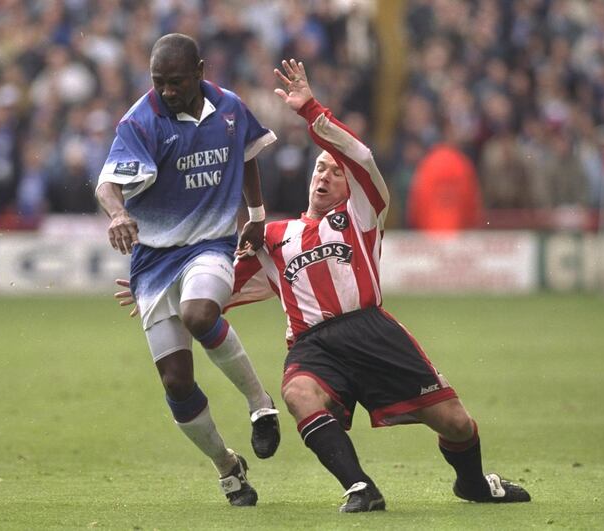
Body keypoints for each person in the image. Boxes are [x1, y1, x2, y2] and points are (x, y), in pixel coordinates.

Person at [119, 59, 531, 513]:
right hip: (314, 346)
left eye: (335, 172)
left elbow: (362, 159)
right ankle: (360, 487)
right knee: (298, 394)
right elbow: (217, 285)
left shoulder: (363, 215)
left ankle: (472, 484)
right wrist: (161, 286)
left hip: (372, 331)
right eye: (319, 169)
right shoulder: (273, 238)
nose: (324, 175)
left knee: (455, 423)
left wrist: (312, 110)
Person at [95, 33, 280, 507]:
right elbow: (107, 185)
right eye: (159, 82)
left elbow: (249, 154)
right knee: (176, 381)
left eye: (176, 81)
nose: (167, 91)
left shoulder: (232, 109)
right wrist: (118, 214)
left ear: (200, 70)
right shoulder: (142, 120)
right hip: (154, 262)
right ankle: (228, 468)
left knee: (200, 315)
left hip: (210, 247)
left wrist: (256, 217)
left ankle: (260, 405)